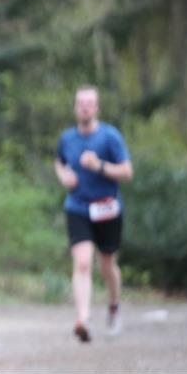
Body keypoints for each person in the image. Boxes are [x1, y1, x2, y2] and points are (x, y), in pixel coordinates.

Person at [54, 85, 133, 343]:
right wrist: (64, 176)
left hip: (107, 207)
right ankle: (83, 319)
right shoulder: (67, 138)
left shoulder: (110, 137)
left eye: (90, 103)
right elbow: (59, 162)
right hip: (77, 207)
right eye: (81, 103)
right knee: (82, 262)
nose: (85, 107)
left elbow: (127, 172)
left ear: (97, 107)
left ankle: (113, 306)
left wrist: (99, 165)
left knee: (107, 264)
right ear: (75, 107)